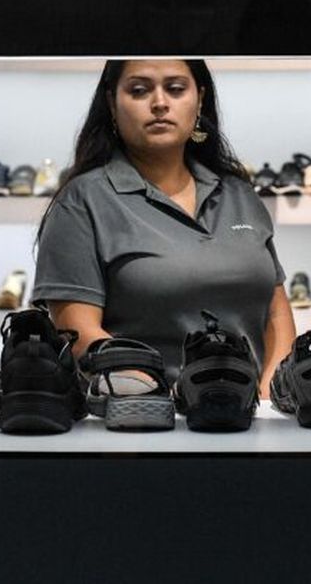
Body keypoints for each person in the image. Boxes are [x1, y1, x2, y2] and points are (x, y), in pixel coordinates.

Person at [32, 59, 294, 397]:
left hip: (247, 418)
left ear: (199, 99)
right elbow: (78, 330)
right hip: (140, 419)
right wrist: (159, 398)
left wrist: (268, 393)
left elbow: (276, 311)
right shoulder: (82, 200)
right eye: (139, 90)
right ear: (112, 102)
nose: (159, 103)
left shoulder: (237, 193)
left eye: (175, 88)